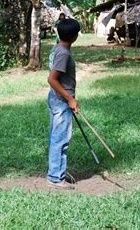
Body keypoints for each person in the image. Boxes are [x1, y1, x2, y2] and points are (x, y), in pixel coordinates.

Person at [47, 19, 81, 190]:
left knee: (57, 137)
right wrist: (70, 99)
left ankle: (57, 171)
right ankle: (55, 177)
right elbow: (52, 79)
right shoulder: (64, 54)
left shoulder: (58, 48)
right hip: (61, 101)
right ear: (74, 37)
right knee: (61, 138)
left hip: (57, 99)